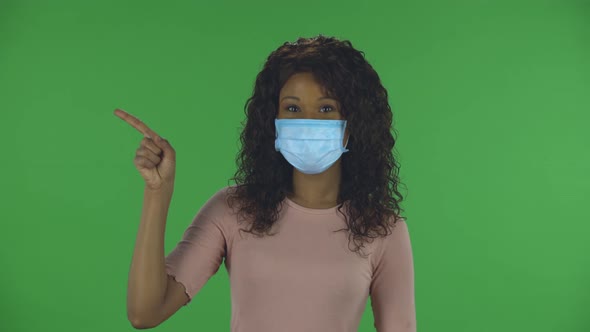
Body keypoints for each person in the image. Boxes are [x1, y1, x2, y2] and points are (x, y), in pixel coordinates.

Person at [118, 34, 416, 332]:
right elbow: (146, 312)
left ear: (354, 123)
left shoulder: (383, 230)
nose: (307, 121)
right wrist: (157, 192)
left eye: (326, 109)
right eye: (292, 108)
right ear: (272, 121)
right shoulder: (233, 210)